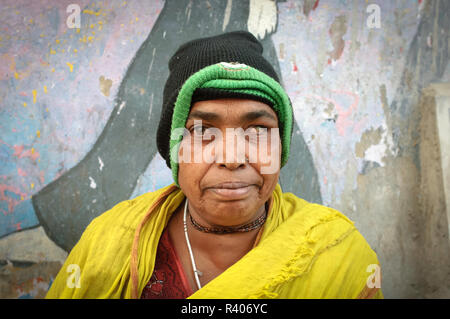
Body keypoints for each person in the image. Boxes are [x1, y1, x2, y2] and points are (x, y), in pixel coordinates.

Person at [46, 31, 383, 299]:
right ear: (174, 151)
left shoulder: (335, 253)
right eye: (203, 131)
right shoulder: (109, 244)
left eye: (258, 130)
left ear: (282, 147)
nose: (233, 158)